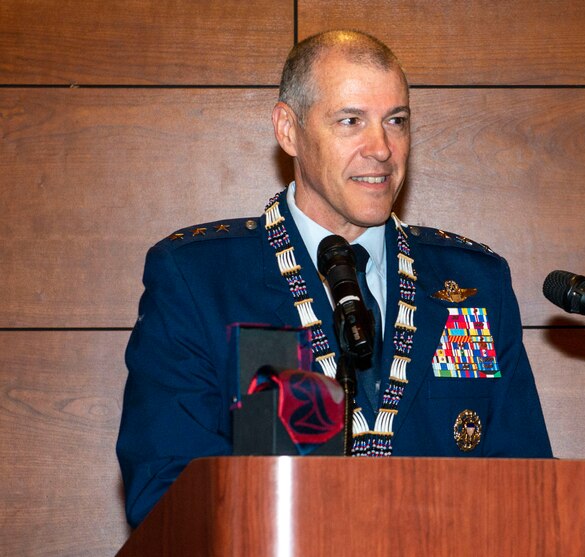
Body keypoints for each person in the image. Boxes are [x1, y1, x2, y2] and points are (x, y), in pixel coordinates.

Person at [117, 29, 552, 529]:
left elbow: (530, 491)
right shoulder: (201, 280)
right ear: (289, 130)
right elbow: (166, 498)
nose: (382, 149)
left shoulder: (476, 284)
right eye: (351, 120)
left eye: (396, 121)